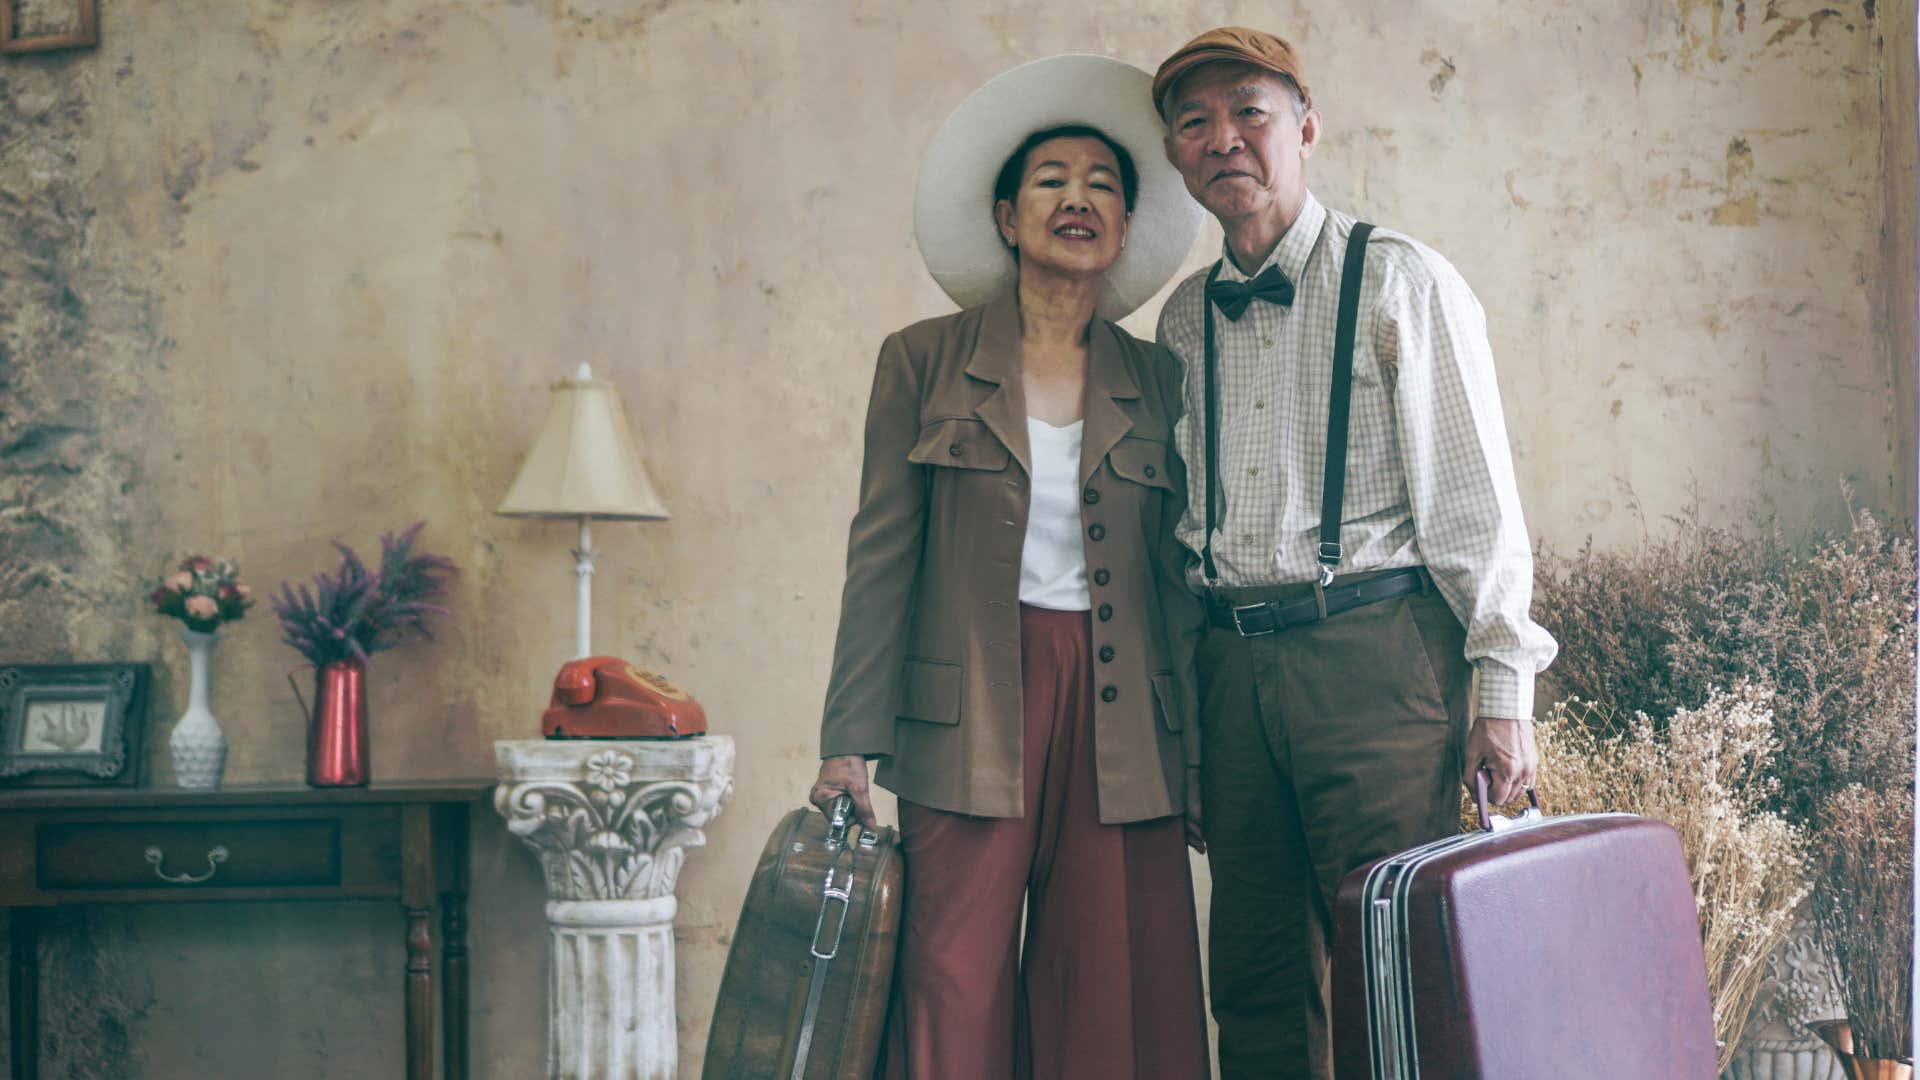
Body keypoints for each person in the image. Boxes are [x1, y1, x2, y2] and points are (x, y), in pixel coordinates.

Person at [1149, 26, 1561, 1079]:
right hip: (1233, 670)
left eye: (1250, 110)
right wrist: (1194, 729)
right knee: (1253, 978)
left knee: (1397, 964)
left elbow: (1478, 503)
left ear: (1307, 126)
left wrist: (1502, 693)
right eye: (1194, 122)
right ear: (1175, 155)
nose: (1223, 138)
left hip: (1373, 664)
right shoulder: (1184, 318)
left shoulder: (1399, 280)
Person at [808, 53, 1211, 1080]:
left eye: (1103, 185)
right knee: (952, 982)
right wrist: (849, 741)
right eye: (1051, 181)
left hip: (1124, 714)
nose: (1078, 199)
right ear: (1004, 215)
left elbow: (1180, 583)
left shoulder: (1159, 376)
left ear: (1122, 226)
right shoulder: (920, 362)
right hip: (964, 709)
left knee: (1109, 989)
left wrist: (1200, 754)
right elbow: (881, 560)